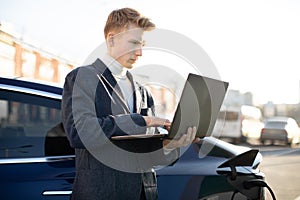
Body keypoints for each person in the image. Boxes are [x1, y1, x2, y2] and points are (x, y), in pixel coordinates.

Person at [61, 7, 198, 200]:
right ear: (111, 39)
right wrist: (142, 121)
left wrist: (170, 145)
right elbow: (79, 133)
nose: (140, 52)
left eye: (142, 44)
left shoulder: (143, 92)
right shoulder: (83, 78)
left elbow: (150, 156)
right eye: (134, 43)